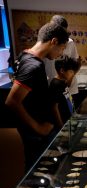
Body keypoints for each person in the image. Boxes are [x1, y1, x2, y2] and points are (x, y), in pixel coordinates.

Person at [5, 22, 69, 171]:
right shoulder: (33, 65)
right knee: (39, 170)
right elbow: (12, 101)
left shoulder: (25, 54)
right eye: (62, 48)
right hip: (35, 132)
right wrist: (38, 128)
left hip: (34, 130)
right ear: (53, 41)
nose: (61, 53)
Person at [44, 15, 81, 108]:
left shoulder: (70, 42)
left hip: (68, 88)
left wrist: (68, 81)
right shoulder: (45, 43)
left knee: (69, 112)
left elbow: (75, 64)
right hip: (53, 87)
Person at [49, 55, 80, 130]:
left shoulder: (63, 82)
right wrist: (61, 126)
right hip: (62, 123)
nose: (72, 74)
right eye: (71, 71)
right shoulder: (55, 84)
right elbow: (54, 107)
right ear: (62, 71)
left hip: (68, 120)